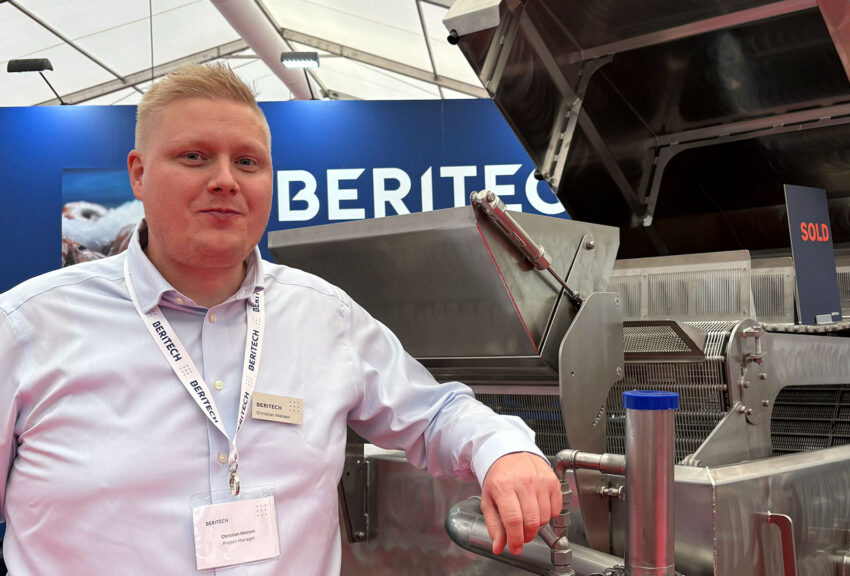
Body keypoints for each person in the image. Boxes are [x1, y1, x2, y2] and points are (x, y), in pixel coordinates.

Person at [0, 63, 561, 575]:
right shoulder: (27, 328)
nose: (225, 180)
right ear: (139, 174)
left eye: (247, 162)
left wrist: (503, 449)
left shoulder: (323, 315)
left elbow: (434, 414)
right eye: (194, 157)